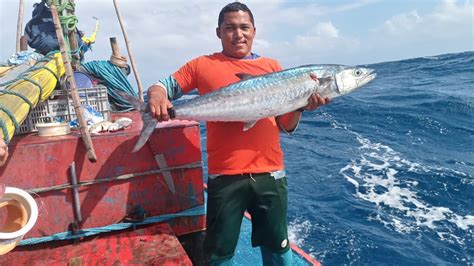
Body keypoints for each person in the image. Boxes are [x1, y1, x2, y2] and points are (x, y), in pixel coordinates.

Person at [147, 2, 330, 265]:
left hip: (270, 173)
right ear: (218, 32)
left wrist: (302, 105)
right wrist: (155, 94)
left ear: (254, 30)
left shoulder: (273, 66)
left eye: (244, 27)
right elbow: (164, 86)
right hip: (225, 176)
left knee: (278, 249)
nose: (238, 34)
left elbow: (286, 126)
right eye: (230, 28)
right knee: (219, 254)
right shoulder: (201, 65)